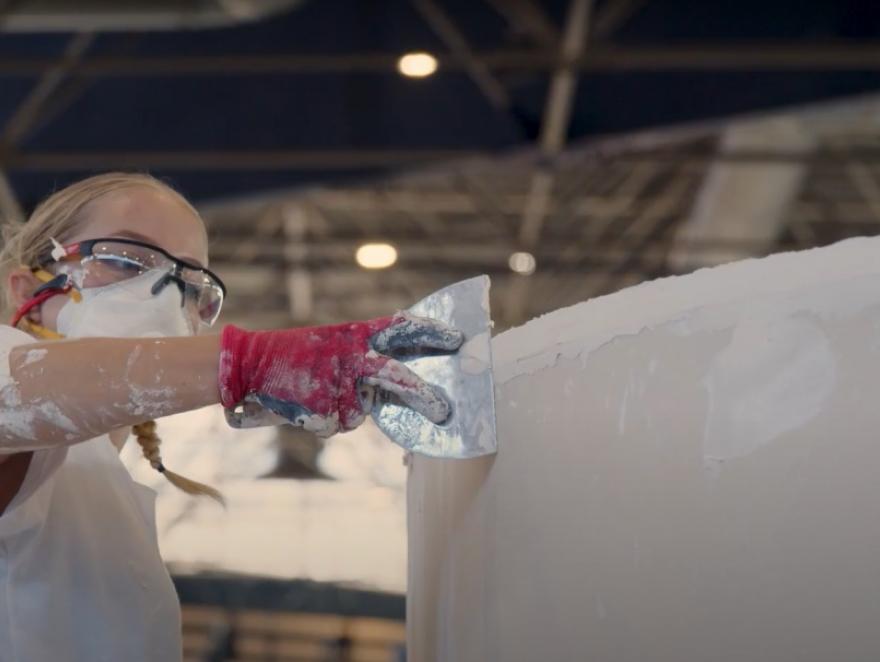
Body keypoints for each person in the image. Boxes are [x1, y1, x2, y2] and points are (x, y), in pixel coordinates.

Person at [0, 172, 462, 661]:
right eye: (125, 259)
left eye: (192, 283)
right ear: (28, 288)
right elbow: (16, 395)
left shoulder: (103, 487)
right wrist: (246, 361)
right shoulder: (12, 372)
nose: (165, 292)